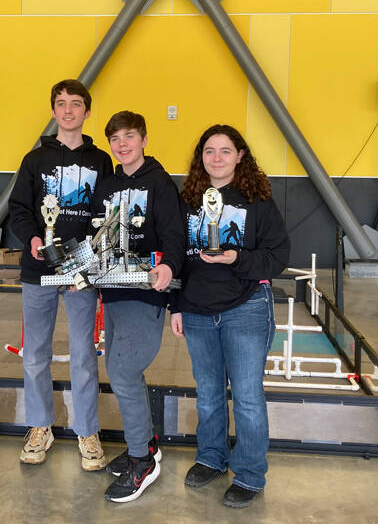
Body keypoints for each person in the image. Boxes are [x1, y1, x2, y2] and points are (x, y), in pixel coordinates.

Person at [170, 124, 290, 509]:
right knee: (207, 394)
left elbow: (278, 256)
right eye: (209, 151)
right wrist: (177, 305)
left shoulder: (257, 200)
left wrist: (238, 258)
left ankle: (251, 474)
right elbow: (176, 256)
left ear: (240, 156)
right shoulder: (189, 199)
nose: (216, 158)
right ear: (200, 157)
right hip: (198, 311)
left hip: (246, 308)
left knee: (248, 398)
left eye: (225, 151)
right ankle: (211, 458)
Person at [8, 79, 114, 470]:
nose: (68, 111)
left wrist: (84, 260)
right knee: (35, 354)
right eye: (61, 104)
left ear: (87, 112)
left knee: (84, 355)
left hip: (81, 271)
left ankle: (87, 429)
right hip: (38, 271)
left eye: (75, 104)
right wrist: (33, 237)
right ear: (53, 111)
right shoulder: (35, 160)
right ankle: (40, 426)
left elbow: (105, 216)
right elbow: (19, 208)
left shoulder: (101, 161)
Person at [92, 111, 184, 502]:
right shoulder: (108, 184)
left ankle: (141, 461)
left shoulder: (160, 184)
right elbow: (97, 233)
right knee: (123, 370)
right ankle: (146, 444)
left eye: (129, 136)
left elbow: (176, 235)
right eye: (115, 139)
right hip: (111, 291)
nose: (122, 144)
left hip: (144, 291)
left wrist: (168, 266)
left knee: (123, 370)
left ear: (144, 139)